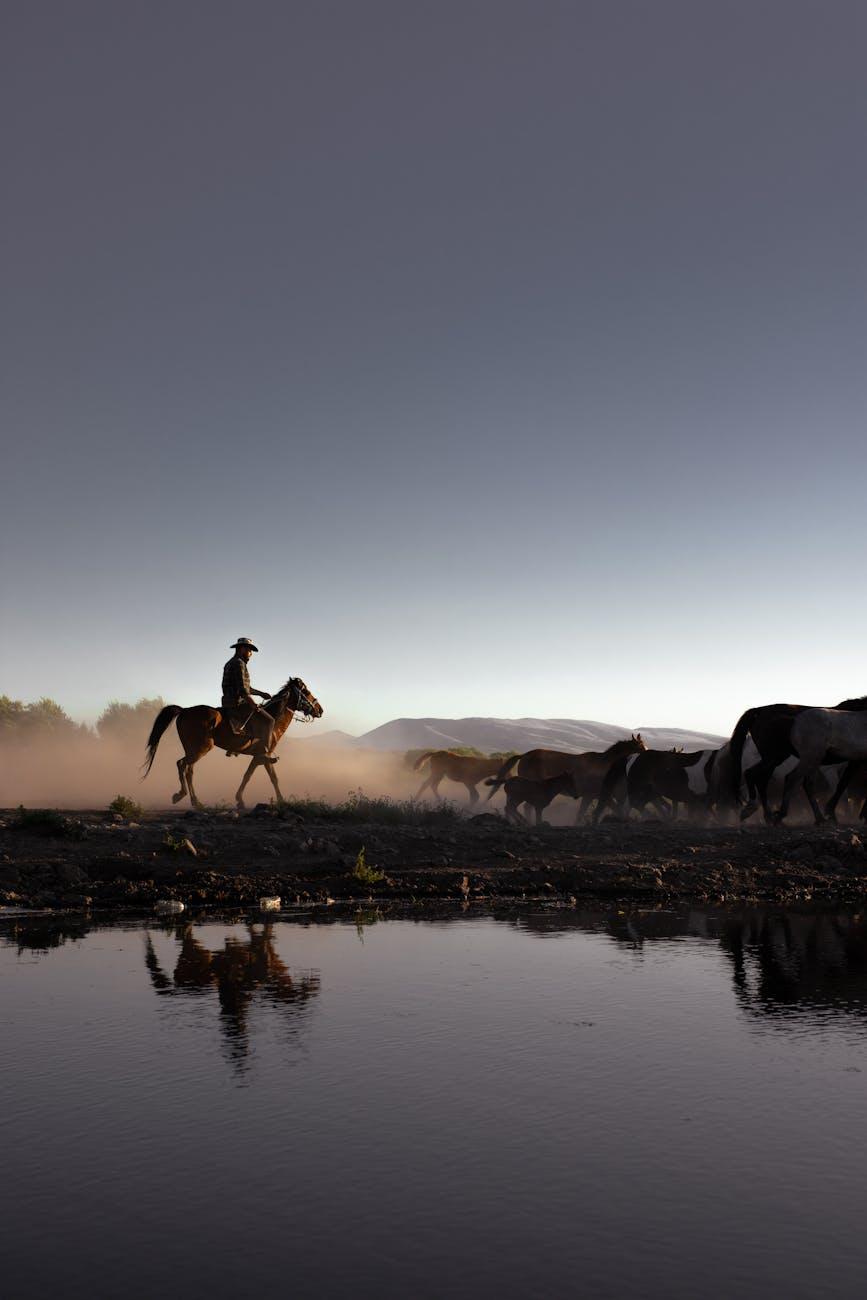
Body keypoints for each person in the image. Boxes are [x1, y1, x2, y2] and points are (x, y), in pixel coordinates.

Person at [221, 638, 274, 756]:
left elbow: (244, 686)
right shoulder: (239, 663)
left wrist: (261, 694)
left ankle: (235, 747)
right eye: (249, 650)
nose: (251, 654)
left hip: (227, 701)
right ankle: (265, 751)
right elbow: (243, 690)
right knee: (270, 721)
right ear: (242, 649)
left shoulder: (231, 662)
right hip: (237, 703)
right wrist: (253, 704)